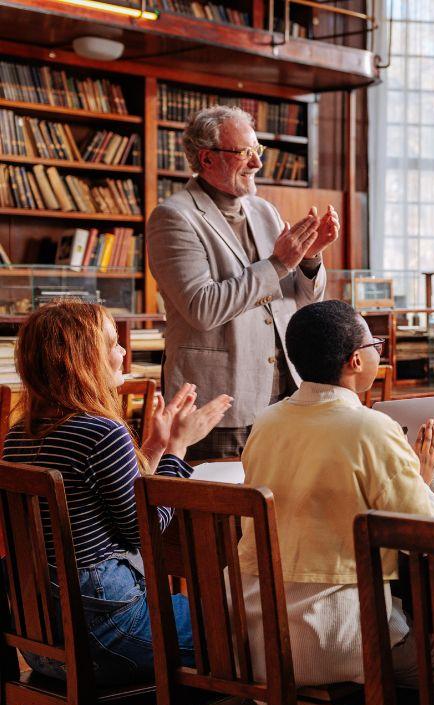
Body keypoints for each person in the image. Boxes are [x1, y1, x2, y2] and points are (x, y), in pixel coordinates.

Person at [3, 301, 231, 685]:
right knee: (242, 625)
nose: (123, 351)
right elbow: (146, 532)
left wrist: (155, 448)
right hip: (109, 637)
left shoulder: (19, 434)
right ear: (83, 358)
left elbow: (114, 503)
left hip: (46, 646)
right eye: (112, 342)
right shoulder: (101, 433)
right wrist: (178, 448)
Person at [239, 300, 434, 686]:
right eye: (374, 346)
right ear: (355, 361)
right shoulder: (371, 428)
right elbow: (430, 535)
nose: (377, 352)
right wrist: (423, 478)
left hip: (261, 639)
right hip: (341, 641)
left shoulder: (265, 423)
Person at [147, 104, 339, 461]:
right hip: (219, 401)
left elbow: (298, 301)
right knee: (223, 511)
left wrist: (310, 259)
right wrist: (279, 262)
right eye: (245, 153)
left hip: (283, 395)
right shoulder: (174, 217)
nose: (257, 163)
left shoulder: (264, 210)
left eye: (257, 151)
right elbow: (202, 308)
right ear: (207, 159)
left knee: (274, 507)